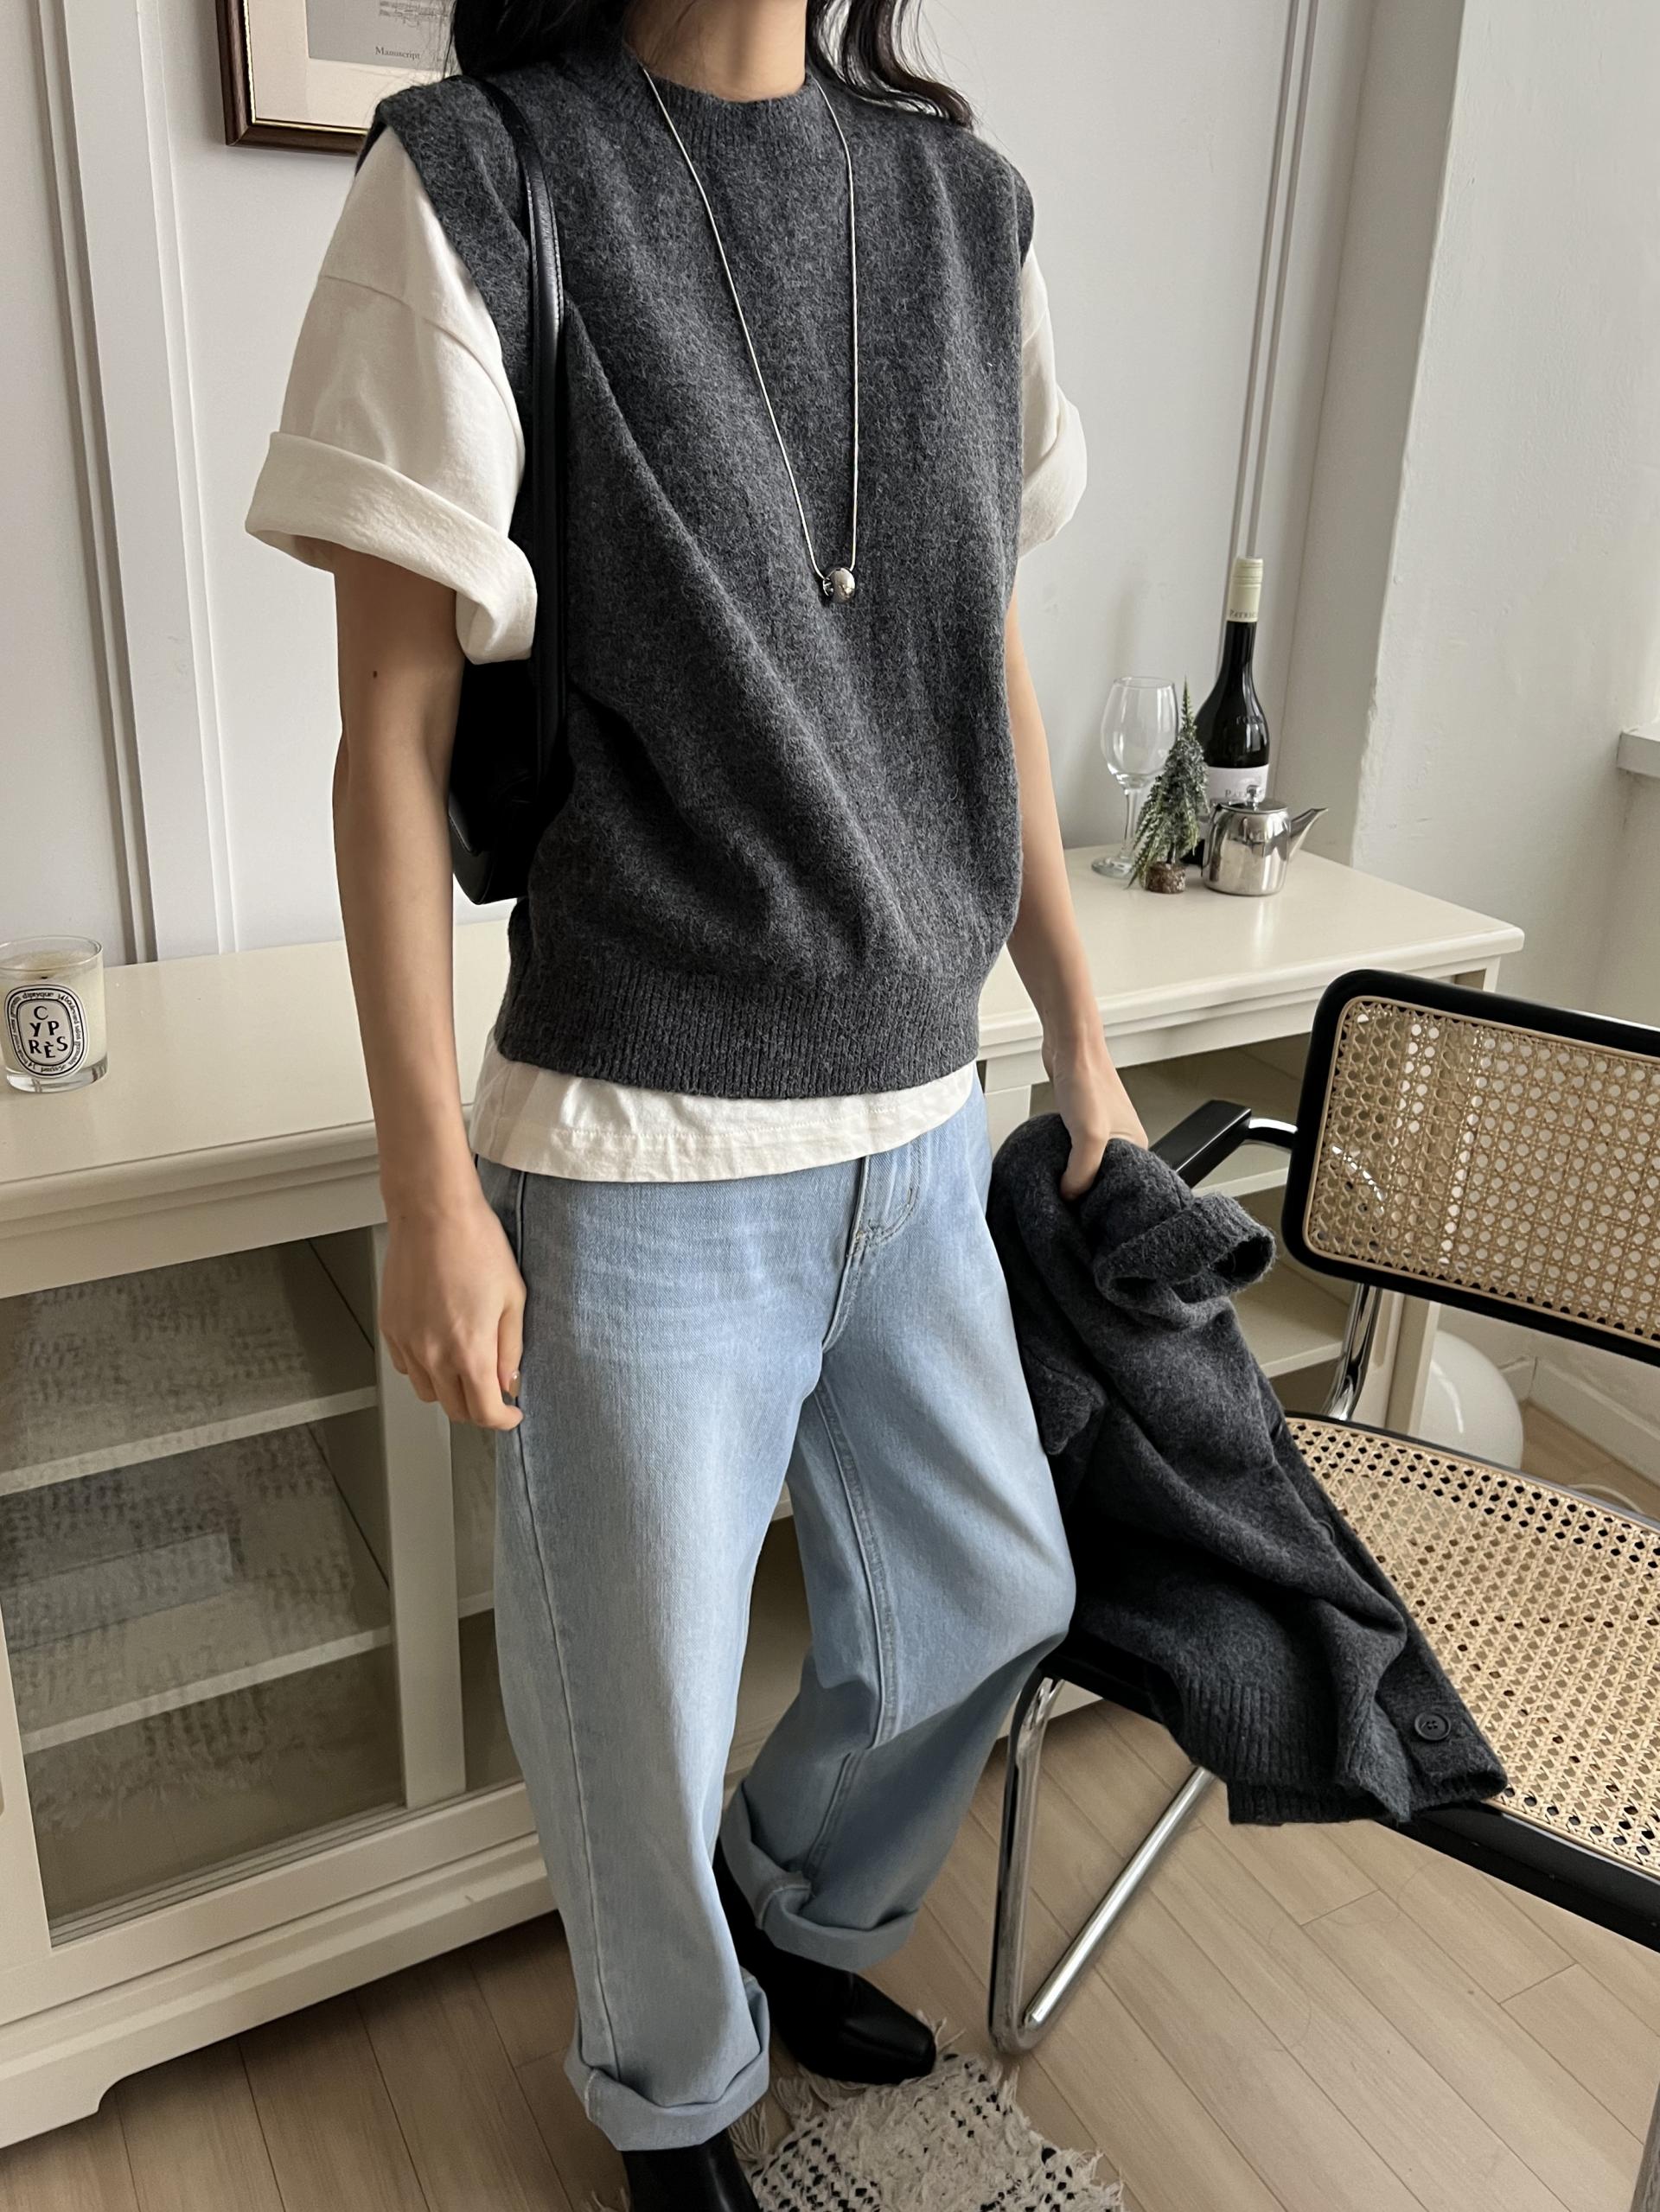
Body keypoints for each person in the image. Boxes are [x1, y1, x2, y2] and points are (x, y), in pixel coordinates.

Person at [247, 1, 1146, 2202]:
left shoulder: (967, 207)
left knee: (993, 1587)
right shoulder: (480, 179)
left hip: (918, 1119)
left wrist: (1083, 1032)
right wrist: (425, 1187)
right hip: (638, 1142)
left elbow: (985, 657)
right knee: (628, 1711)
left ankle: (790, 1902)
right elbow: (390, 738)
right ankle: (669, 2080)